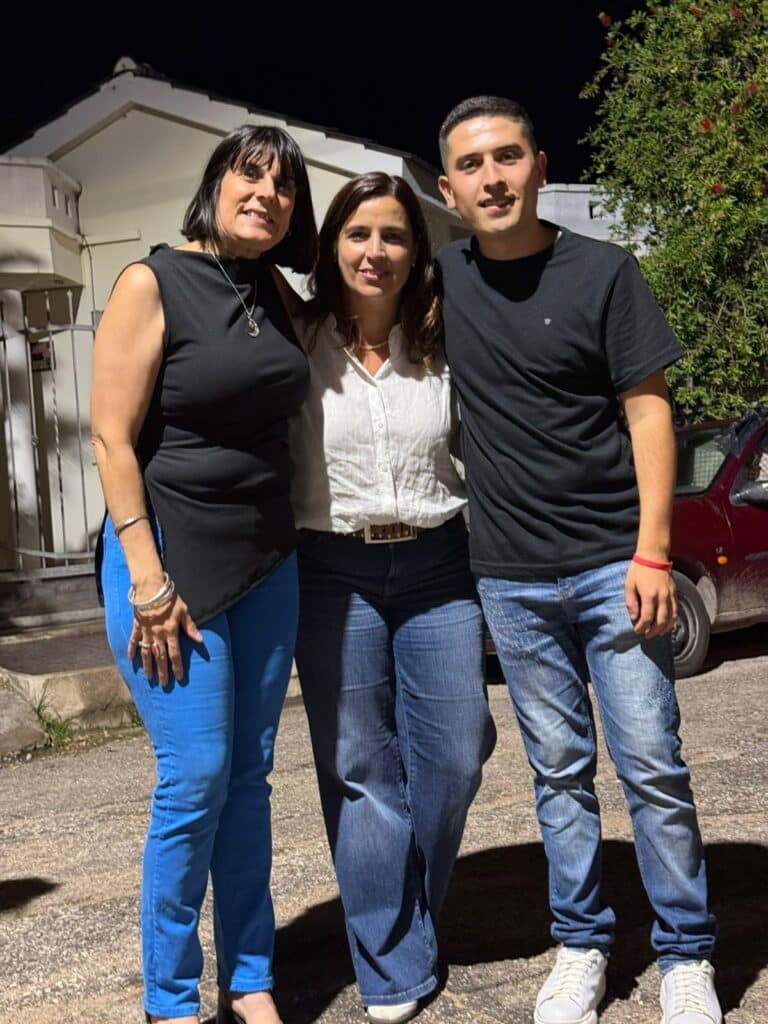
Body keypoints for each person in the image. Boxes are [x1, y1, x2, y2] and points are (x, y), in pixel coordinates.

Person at [434, 97, 722, 1024]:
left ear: (539, 165)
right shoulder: (439, 282)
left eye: (507, 157)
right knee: (558, 774)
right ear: (447, 188)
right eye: (472, 165)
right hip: (509, 579)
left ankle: (686, 953)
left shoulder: (604, 272)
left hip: (613, 568)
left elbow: (650, 413)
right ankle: (583, 944)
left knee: (651, 767)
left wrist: (654, 553)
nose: (492, 178)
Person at [91, 124, 317, 1024]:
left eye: (284, 186)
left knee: (249, 779)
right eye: (248, 175)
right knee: (196, 775)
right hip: (168, 564)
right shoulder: (151, 281)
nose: (266, 194)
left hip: (266, 561)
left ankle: (250, 979)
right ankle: (170, 997)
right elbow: (111, 438)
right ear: (216, 184)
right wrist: (147, 579)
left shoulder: (273, 290)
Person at [289, 172, 497, 1024]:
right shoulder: (296, 338)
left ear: (417, 253)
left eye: (394, 236)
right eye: (358, 234)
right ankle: (394, 963)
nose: (375, 251)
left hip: (438, 564)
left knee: (456, 755)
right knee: (359, 768)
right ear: (332, 245)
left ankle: (405, 915)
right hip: (330, 568)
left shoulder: (445, 339)